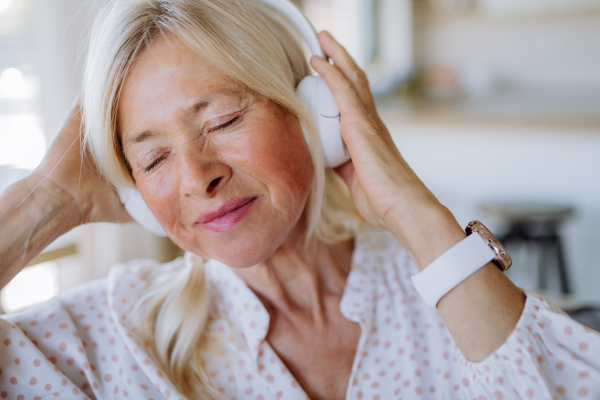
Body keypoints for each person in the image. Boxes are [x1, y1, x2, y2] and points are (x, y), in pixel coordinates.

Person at [0, 0, 598, 399]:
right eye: (153, 159)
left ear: (316, 112)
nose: (195, 177)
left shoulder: (442, 290)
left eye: (225, 119)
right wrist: (43, 200)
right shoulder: (112, 339)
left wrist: (414, 211)